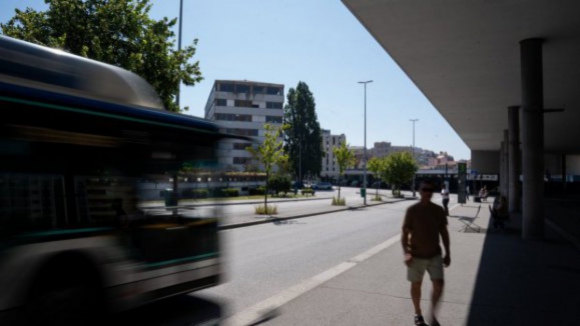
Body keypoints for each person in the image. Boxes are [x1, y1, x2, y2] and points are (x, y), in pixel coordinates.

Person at [402, 180, 451, 326]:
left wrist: (448, 253)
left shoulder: (438, 210)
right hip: (416, 255)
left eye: (430, 190)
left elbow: (444, 232)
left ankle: (433, 315)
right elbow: (404, 234)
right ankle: (418, 313)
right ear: (419, 191)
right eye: (425, 189)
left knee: (439, 285)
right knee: (416, 285)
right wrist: (406, 252)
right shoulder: (412, 210)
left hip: (434, 254)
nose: (428, 192)